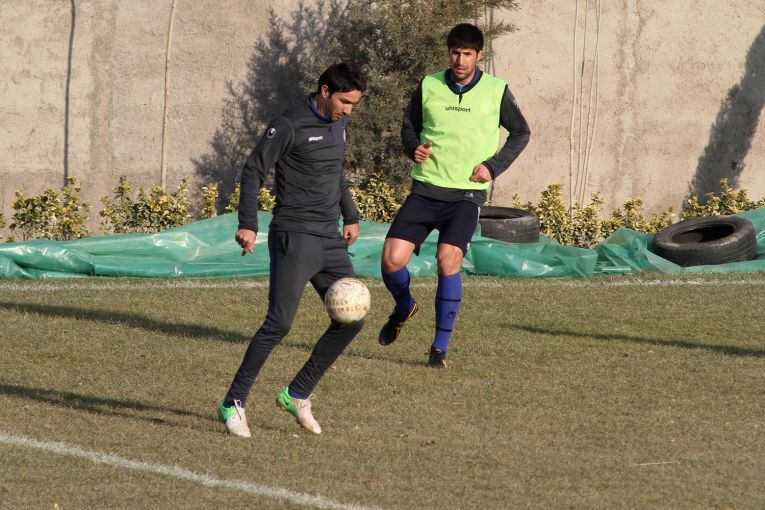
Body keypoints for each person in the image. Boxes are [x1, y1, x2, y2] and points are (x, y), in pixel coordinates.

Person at [218, 63, 366, 437]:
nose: (349, 110)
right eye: (345, 101)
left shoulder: (340, 123)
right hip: (295, 236)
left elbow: (335, 172)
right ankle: (233, 402)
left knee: (353, 318)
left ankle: (297, 393)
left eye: (353, 104)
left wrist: (350, 215)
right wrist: (248, 223)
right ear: (325, 90)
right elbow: (253, 169)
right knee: (279, 323)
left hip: (330, 238)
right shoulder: (288, 124)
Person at [378, 23, 530, 368]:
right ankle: (404, 307)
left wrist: (492, 167)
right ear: (448, 53)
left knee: (448, 260)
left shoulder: (496, 90)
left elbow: (521, 132)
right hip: (426, 188)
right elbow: (409, 127)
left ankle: (438, 350)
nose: (460, 60)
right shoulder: (429, 85)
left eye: (467, 54)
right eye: (455, 53)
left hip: (466, 194)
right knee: (390, 261)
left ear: (479, 55)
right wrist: (413, 147)